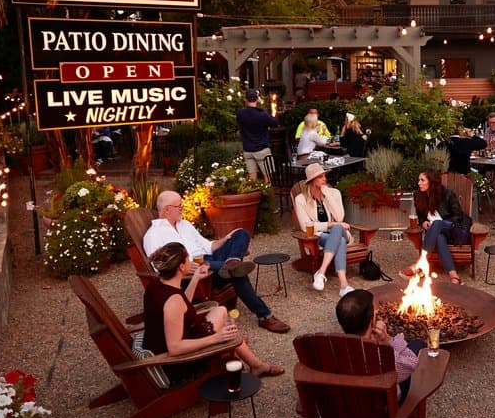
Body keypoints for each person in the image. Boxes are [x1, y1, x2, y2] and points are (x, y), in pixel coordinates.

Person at [143, 191, 289, 333]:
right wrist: (185, 268)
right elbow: (160, 268)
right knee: (237, 273)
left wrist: (225, 240)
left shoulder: (184, 224)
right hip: (194, 271)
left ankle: (233, 261)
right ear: (167, 210)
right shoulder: (154, 235)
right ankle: (264, 315)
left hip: (208, 260)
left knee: (241, 234)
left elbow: (208, 246)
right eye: (179, 205)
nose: (183, 208)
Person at [144, 243, 283, 382]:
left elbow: (182, 304)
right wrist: (216, 338)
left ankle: (252, 361)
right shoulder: (173, 301)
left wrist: (196, 278)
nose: (191, 261)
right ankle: (254, 363)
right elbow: (174, 348)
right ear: (181, 267)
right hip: (176, 363)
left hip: (172, 338)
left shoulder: (157, 285)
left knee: (220, 310)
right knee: (224, 328)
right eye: (188, 258)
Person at [335, 289, 422, 402]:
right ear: (372, 322)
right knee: (418, 344)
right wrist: (387, 339)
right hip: (383, 409)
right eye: (375, 314)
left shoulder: (332, 349)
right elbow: (412, 363)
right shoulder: (382, 354)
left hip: (348, 405)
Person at [293, 162, 355, 296]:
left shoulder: (334, 193)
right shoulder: (300, 199)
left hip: (340, 232)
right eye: (320, 177)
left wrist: (327, 194)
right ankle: (344, 285)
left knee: (338, 229)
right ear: (312, 180)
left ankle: (321, 272)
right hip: (319, 236)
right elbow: (305, 226)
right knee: (340, 239)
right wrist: (330, 224)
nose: (324, 179)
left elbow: (339, 216)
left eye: (324, 176)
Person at [406, 170, 468, 284]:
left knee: (437, 224)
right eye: (419, 180)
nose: (419, 183)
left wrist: (442, 223)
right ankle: (454, 275)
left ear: (431, 182)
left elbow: (458, 216)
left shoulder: (447, 193)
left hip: (454, 230)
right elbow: (421, 217)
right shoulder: (419, 195)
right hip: (435, 234)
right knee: (439, 237)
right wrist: (423, 222)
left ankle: (420, 262)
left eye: (422, 180)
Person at [236, 90, 280, 179]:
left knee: (252, 179)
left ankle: (254, 191)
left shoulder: (240, 113)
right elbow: (275, 122)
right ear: (257, 99)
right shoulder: (262, 115)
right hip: (262, 149)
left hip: (248, 149)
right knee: (268, 178)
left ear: (246, 99)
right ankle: (267, 192)